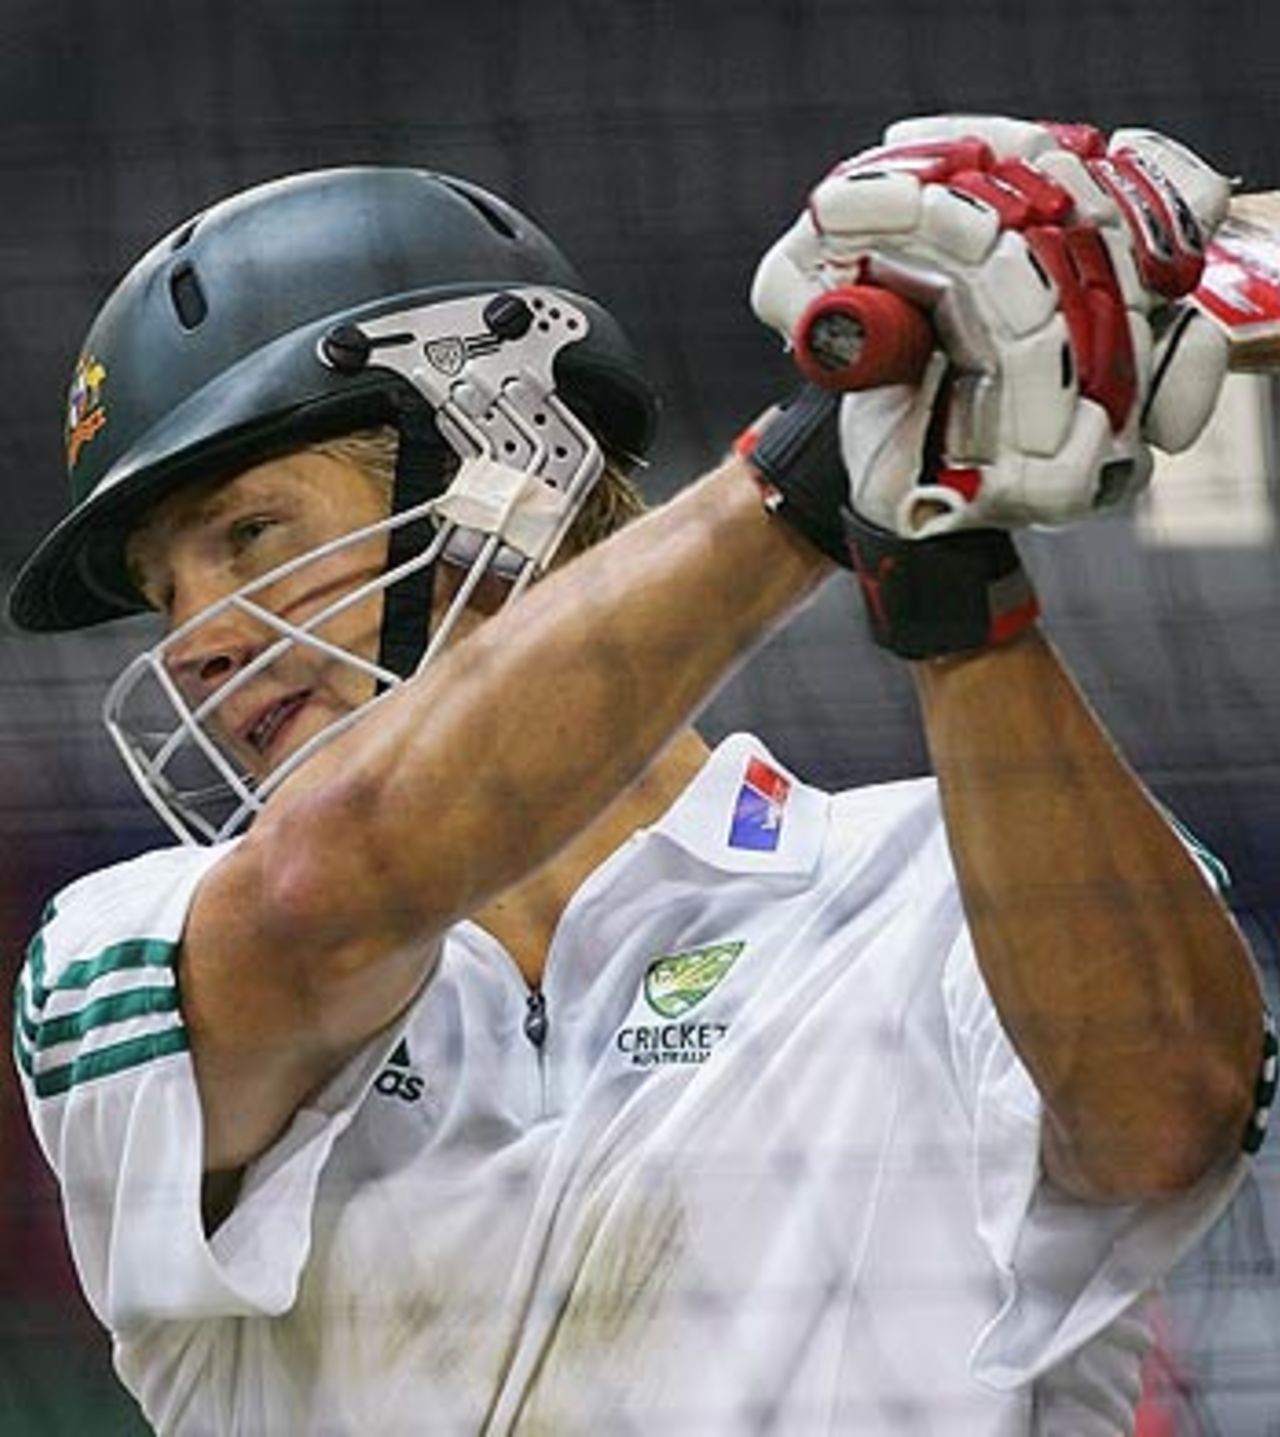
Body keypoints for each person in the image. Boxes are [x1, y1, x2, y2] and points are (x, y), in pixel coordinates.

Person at [9, 115, 1276, 1435]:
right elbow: (331, 886)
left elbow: (1166, 1117)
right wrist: (832, 450)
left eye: (247, 533)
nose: (195, 637)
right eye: (164, 593)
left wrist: (942, 561)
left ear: (513, 475)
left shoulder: (947, 881)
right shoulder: (119, 956)